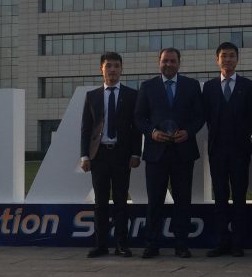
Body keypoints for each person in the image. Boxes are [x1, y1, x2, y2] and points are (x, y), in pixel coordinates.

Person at [134, 47, 204, 258]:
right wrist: (152, 132)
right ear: (159, 62)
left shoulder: (191, 86)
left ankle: (181, 244)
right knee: (155, 200)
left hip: (183, 151)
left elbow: (200, 116)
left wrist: (188, 132)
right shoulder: (147, 87)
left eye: (173, 61)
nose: (169, 64)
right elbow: (139, 117)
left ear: (179, 63)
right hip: (156, 153)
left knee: (183, 200)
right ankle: (152, 244)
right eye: (165, 61)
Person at [79, 51, 141, 257]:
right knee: (100, 202)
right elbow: (86, 128)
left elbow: (136, 128)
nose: (112, 70)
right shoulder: (92, 96)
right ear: (101, 69)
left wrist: (136, 153)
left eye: (116, 66)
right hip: (99, 156)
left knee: (121, 201)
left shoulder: (132, 95)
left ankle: (122, 244)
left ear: (121, 69)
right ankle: (101, 244)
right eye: (108, 66)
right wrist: (84, 156)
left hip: (122, 155)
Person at [202, 42, 252, 257]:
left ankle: (238, 242)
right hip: (217, 151)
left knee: (240, 197)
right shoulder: (209, 87)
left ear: (237, 59)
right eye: (224, 56)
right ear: (217, 60)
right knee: (220, 197)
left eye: (232, 55)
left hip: (240, 151)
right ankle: (222, 241)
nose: (228, 59)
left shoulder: (248, 86)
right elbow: (205, 115)